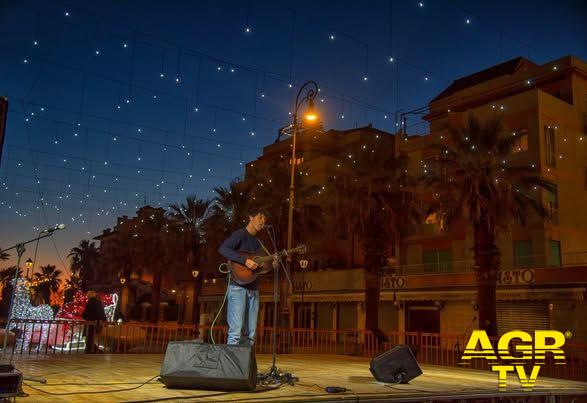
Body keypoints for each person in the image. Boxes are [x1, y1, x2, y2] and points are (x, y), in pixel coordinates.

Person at [218, 208, 276, 346]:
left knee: (250, 334)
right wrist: (245, 261)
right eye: (260, 217)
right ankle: (232, 367)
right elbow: (223, 249)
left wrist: (272, 265)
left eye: (265, 219)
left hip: (253, 288)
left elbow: (261, 268)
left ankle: (245, 366)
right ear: (251, 217)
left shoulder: (259, 242)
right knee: (235, 333)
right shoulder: (240, 234)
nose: (263, 222)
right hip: (237, 287)